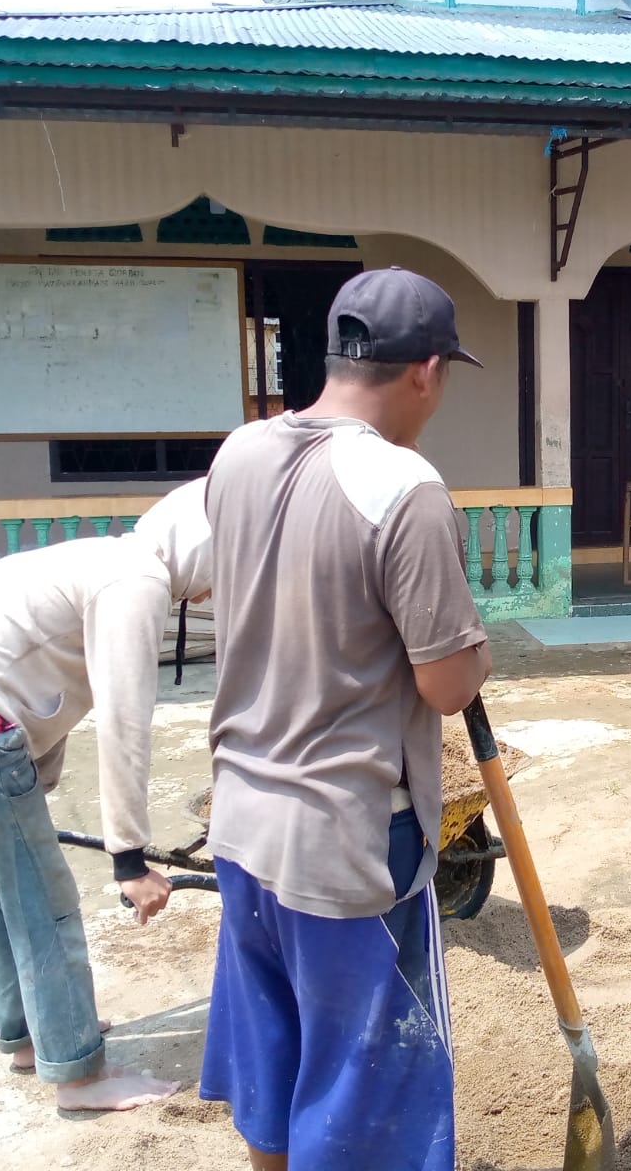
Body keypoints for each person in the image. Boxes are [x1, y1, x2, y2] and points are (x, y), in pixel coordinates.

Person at [200, 267, 492, 1171]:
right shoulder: (403, 486)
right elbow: (447, 685)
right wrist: (474, 647)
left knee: (276, 1070)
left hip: (242, 823)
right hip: (347, 841)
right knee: (366, 1099)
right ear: (429, 371)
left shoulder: (239, 454)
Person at [0, 478, 212, 1108]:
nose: (211, 592)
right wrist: (129, 860)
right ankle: (80, 1078)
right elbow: (125, 722)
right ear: (204, 547)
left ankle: (29, 1038)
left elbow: (40, 678)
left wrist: (36, 776)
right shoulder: (136, 584)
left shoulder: (102, 557)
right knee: (44, 902)